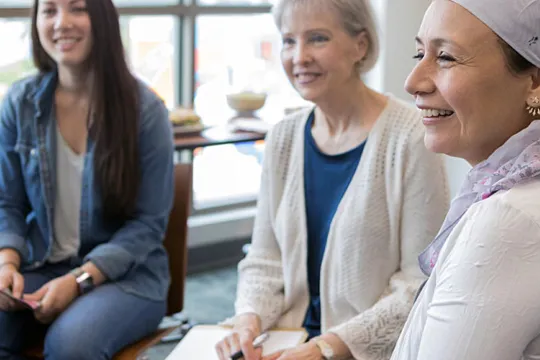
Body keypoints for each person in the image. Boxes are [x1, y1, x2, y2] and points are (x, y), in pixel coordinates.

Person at [215, 0, 449, 359]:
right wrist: (249, 319)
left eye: (318, 39)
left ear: (361, 45)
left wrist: (325, 349)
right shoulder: (282, 138)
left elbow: (417, 285)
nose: (299, 56)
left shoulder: (412, 138)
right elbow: (264, 259)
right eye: (289, 41)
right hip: (284, 339)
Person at [0, 0, 174, 359]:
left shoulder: (146, 111)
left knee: (72, 345)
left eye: (77, 8)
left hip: (128, 277)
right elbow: (8, 202)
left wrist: (80, 280)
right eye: (49, 10)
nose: (61, 22)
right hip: (44, 265)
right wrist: (7, 264)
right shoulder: (20, 103)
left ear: (102, 19)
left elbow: (148, 224)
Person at [390, 0, 540, 359]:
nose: (413, 82)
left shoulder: (508, 220)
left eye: (446, 57)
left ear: (535, 82)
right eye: (419, 54)